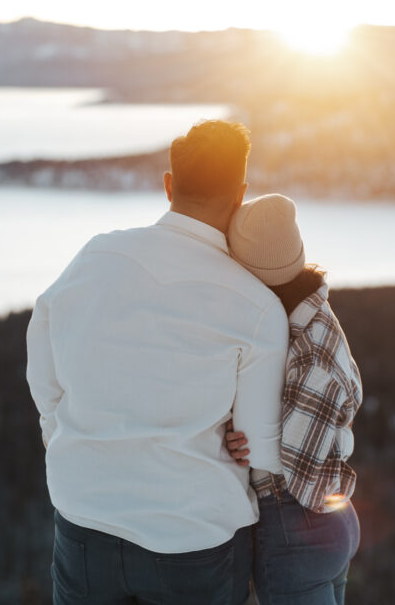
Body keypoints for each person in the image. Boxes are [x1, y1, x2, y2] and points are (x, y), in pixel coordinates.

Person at [25, 120, 288, 605]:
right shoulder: (257, 307)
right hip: (193, 538)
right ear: (241, 193)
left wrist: (58, 431)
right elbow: (262, 454)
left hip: (86, 519)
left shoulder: (95, 256)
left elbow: (42, 354)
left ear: (169, 185)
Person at [223, 194, 363, 605]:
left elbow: (305, 478)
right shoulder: (314, 315)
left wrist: (247, 446)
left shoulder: (310, 352)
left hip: (300, 529)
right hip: (330, 525)